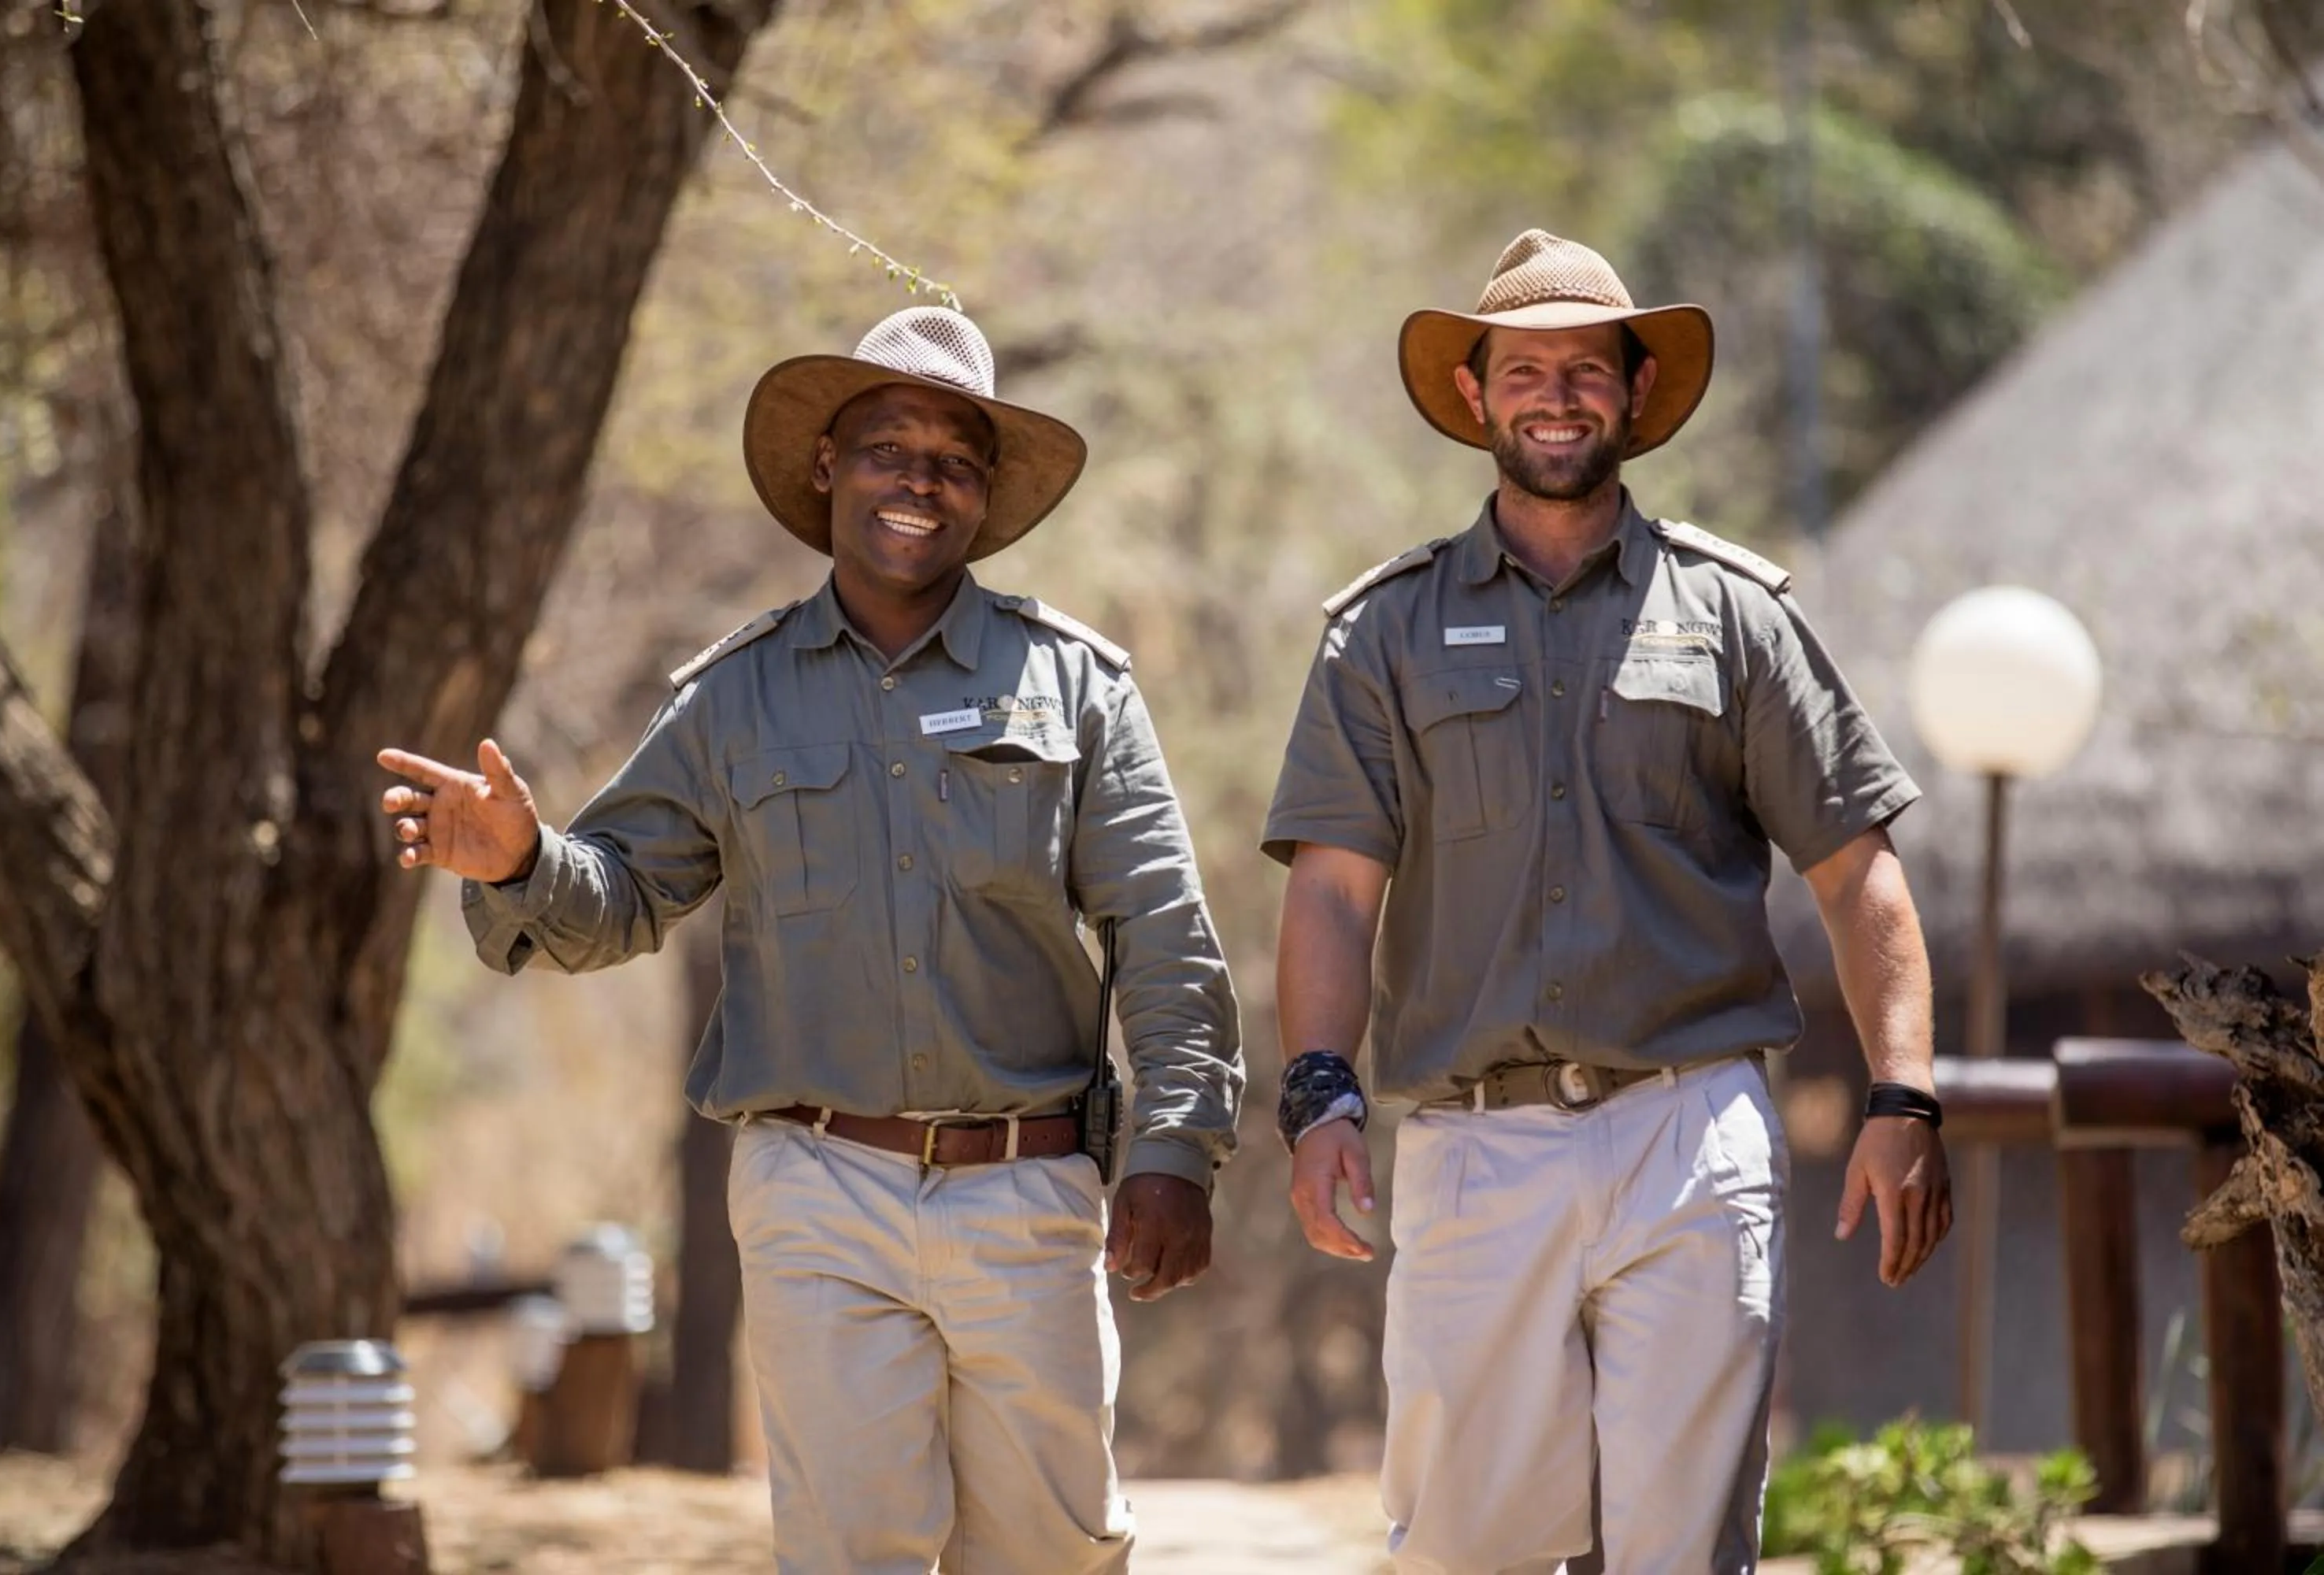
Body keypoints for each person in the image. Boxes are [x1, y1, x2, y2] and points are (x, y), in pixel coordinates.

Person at [378, 306, 1242, 1574]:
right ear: (828, 466)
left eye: (953, 459)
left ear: (985, 496)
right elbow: (619, 899)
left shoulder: (1077, 685)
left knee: (1054, 1552)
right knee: (850, 1551)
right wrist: (521, 861)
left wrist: (1176, 1148)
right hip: (818, 1191)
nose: (919, 481)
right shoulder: (736, 694)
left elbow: (1163, 930)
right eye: (890, 446)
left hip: (1029, 1187)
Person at [1261, 229, 1952, 1573]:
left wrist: (1906, 1095)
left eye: (1589, 367)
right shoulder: (1382, 633)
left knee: (1681, 1549)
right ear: (1476, 396)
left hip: (1690, 1130)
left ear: (1637, 391)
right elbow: (1337, 894)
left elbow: (1856, 867)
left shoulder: (1736, 615)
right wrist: (1318, 1098)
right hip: (1473, 1148)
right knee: (1467, 1547)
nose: (1558, 394)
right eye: (1526, 369)